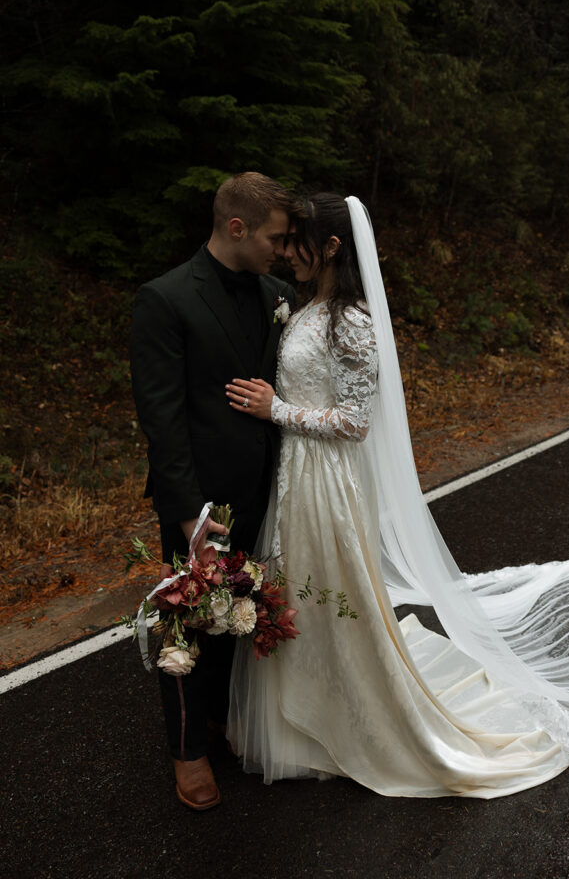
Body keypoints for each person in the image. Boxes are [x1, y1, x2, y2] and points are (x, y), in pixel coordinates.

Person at [224, 192, 569, 797]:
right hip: (297, 473)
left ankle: (354, 719)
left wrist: (274, 408)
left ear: (332, 246)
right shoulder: (308, 307)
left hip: (327, 479)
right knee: (302, 591)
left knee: (328, 589)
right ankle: (299, 718)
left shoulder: (352, 320)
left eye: (296, 242)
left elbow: (355, 421)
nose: (285, 252)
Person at [129, 172, 298, 810]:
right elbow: (162, 419)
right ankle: (186, 750)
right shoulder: (164, 299)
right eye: (275, 239)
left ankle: (223, 720)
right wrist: (188, 516)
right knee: (187, 625)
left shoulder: (276, 294)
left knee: (243, 613)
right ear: (237, 229)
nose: (283, 251)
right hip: (203, 501)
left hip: (269, 488)